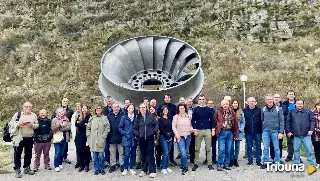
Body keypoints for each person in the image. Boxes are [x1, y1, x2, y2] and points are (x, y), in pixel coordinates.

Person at [9, 102, 39, 178]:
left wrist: (32, 125)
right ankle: (17, 169)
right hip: (19, 138)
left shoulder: (34, 115)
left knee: (28, 154)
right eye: (26, 106)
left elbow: (37, 125)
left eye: (29, 106)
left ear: (31, 108)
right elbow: (11, 124)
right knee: (17, 154)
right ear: (23, 107)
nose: (27, 108)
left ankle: (27, 167)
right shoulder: (18, 114)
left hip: (29, 137)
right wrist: (18, 124)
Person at [286, 99, 316, 168]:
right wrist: (288, 131)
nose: (299, 105)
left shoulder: (308, 111)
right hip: (296, 135)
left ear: (303, 104)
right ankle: (297, 163)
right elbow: (288, 122)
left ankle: (311, 163)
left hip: (306, 135)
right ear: (295, 104)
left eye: (301, 103)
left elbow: (312, 121)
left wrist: (311, 130)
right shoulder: (291, 112)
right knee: (296, 150)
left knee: (309, 150)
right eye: (298, 103)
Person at [133, 103, 159, 178]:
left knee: (150, 154)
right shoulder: (137, 117)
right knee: (143, 154)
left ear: (146, 108)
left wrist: (153, 132)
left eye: (144, 107)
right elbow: (134, 128)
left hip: (150, 138)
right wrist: (138, 134)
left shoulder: (151, 116)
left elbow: (156, 125)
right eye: (141, 107)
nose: (143, 109)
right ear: (139, 109)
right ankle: (144, 170)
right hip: (141, 139)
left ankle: (152, 171)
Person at [260, 95, 284, 169]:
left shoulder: (278, 109)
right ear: (265, 101)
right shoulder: (263, 109)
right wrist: (263, 130)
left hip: (275, 132)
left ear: (273, 100)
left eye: (270, 99)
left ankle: (277, 162)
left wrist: (281, 132)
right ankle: (266, 162)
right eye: (268, 99)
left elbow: (282, 121)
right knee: (266, 148)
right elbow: (262, 120)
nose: (269, 100)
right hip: (265, 132)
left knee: (276, 148)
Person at [191, 95, 215, 171]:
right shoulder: (195, 109)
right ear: (198, 100)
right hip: (198, 130)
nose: (201, 100)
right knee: (197, 148)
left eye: (203, 99)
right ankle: (196, 163)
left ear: (205, 100)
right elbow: (193, 120)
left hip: (207, 130)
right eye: (200, 99)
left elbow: (212, 120)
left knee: (208, 148)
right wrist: (194, 129)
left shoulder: (209, 109)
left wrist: (213, 129)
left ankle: (209, 164)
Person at [214, 100, 239, 171]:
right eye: (224, 104)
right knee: (221, 149)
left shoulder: (232, 113)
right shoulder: (217, 112)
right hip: (221, 133)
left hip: (230, 133)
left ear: (228, 105)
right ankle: (219, 164)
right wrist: (216, 130)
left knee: (228, 149)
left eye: (226, 104)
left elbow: (236, 123)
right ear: (221, 105)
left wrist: (236, 133)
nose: (225, 105)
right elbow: (215, 122)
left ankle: (226, 164)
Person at [86, 104, 110, 175]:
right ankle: (96, 169)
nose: (98, 110)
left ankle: (102, 168)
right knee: (95, 156)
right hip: (93, 139)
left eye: (100, 108)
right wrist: (89, 136)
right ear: (95, 110)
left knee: (101, 156)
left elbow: (107, 128)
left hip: (101, 140)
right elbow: (88, 128)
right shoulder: (92, 118)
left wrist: (104, 136)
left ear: (101, 110)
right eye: (97, 109)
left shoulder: (104, 118)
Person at [172, 103, 193, 175]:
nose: (182, 109)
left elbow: (191, 126)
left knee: (184, 152)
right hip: (180, 137)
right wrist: (177, 136)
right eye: (180, 108)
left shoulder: (188, 117)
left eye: (183, 108)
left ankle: (182, 163)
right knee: (183, 153)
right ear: (178, 109)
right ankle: (185, 167)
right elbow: (174, 127)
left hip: (188, 136)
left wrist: (192, 129)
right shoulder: (176, 117)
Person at [51, 98, 74, 164]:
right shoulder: (57, 109)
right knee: (58, 145)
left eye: (66, 101)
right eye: (64, 101)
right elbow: (52, 119)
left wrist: (66, 128)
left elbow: (71, 121)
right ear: (61, 102)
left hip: (66, 131)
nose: (65, 102)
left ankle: (65, 157)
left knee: (65, 145)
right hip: (58, 132)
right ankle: (58, 159)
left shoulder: (70, 110)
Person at [156, 93, 177, 166]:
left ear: (170, 99)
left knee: (171, 147)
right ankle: (161, 163)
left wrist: (172, 133)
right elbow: (158, 115)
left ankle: (171, 159)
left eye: (168, 97)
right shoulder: (160, 106)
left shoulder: (174, 106)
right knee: (162, 148)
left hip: (171, 129)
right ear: (164, 99)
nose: (167, 99)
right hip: (163, 132)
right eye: (166, 97)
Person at [243, 97, 262, 166]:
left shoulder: (260, 110)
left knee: (258, 146)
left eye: (253, 101)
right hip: (248, 131)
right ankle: (250, 160)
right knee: (249, 147)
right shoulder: (244, 110)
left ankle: (258, 160)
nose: (252, 102)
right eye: (250, 101)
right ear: (247, 103)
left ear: (255, 102)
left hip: (258, 131)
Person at [119, 104, 137, 176]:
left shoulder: (136, 117)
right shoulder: (124, 117)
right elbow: (120, 127)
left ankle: (132, 168)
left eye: (132, 108)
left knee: (133, 154)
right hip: (126, 138)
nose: (131, 109)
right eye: (129, 108)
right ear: (127, 109)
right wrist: (125, 133)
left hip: (134, 138)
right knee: (126, 154)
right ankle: (125, 168)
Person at [51, 107, 71, 172]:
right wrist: (58, 126)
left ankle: (60, 163)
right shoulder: (54, 119)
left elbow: (69, 127)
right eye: (59, 112)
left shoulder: (66, 119)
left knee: (62, 152)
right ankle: (56, 165)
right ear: (57, 113)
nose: (61, 113)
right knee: (57, 152)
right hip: (57, 137)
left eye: (62, 112)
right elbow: (53, 129)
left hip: (65, 137)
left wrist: (61, 129)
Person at [269, 94, 288, 163]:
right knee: (271, 143)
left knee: (279, 143)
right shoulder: (270, 106)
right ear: (273, 98)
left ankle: (278, 158)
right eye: (275, 97)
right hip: (271, 128)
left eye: (278, 97)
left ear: (280, 98)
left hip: (280, 128)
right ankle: (272, 157)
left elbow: (286, 116)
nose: (276, 99)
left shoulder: (284, 107)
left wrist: (280, 118)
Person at [107, 103, 124, 173]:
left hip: (120, 137)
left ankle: (122, 164)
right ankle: (113, 165)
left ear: (119, 108)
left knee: (121, 152)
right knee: (112, 152)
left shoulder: (123, 115)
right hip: (111, 137)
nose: (116, 108)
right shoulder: (109, 116)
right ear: (112, 108)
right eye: (114, 107)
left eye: (117, 107)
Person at [75, 105, 91, 172]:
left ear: (87, 109)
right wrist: (82, 124)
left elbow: (87, 125)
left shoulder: (89, 117)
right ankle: (81, 165)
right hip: (79, 136)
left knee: (86, 151)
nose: (84, 110)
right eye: (83, 108)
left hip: (86, 136)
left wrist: (80, 124)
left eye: (85, 108)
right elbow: (76, 124)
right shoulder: (79, 116)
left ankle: (87, 165)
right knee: (80, 150)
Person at [158, 106, 173, 175]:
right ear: (162, 111)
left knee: (168, 152)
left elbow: (173, 127)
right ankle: (163, 168)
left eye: (166, 109)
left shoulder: (170, 118)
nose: (165, 111)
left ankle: (166, 166)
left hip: (170, 136)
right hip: (163, 136)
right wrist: (167, 136)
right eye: (164, 110)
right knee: (165, 152)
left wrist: (171, 135)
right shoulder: (160, 119)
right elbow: (161, 129)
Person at [282, 90, 296, 162]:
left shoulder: (298, 103)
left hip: (297, 125)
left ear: (294, 95)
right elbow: (283, 114)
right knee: (289, 141)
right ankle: (290, 155)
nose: (291, 95)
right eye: (289, 94)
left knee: (297, 141)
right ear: (287, 96)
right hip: (288, 125)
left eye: (292, 94)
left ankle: (297, 156)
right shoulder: (284, 104)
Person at [230, 100, 244, 167]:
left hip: (238, 131)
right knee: (231, 146)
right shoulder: (229, 111)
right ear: (232, 104)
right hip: (231, 131)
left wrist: (240, 129)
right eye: (234, 103)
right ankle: (231, 159)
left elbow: (243, 122)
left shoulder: (241, 112)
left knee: (237, 146)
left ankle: (235, 159)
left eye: (236, 103)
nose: (235, 104)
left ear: (238, 104)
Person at [203, 100, 216, 165]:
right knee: (207, 145)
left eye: (211, 103)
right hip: (206, 130)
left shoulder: (215, 112)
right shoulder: (205, 111)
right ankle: (207, 158)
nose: (210, 105)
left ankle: (214, 158)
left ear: (213, 104)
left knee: (213, 145)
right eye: (209, 103)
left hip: (214, 131)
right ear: (207, 104)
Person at [103, 96, 114, 167]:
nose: (109, 102)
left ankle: (115, 160)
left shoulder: (116, 108)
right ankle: (107, 160)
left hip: (113, 131)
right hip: (106, 131)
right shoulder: (104, 109)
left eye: (110, 101)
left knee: (114, 147)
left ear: (112, 101)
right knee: (106, 147)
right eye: (108, 101)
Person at [72, 102, 82, 168]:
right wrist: (73, 135)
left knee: (84, 148)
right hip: (76, 134)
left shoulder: (83, 115)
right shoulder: (73, 115)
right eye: (76, 106)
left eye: (79, 106)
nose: (78, 107)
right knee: (77, 148)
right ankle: (78, 161)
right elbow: (72, 126)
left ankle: (84, 161)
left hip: (83, 134)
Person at [312, 101, 320, 168]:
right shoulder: (312, 113)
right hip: (316, 134)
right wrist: (316, 129)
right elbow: (311, 124)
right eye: (318, 105)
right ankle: (318, 162)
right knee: (317, 149)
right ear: (316, 106)